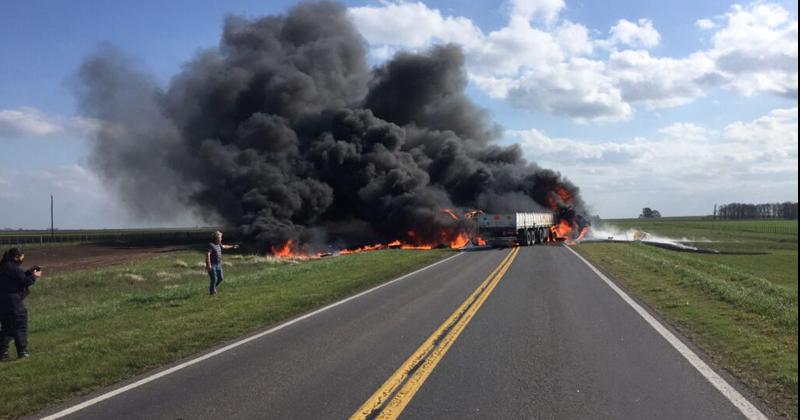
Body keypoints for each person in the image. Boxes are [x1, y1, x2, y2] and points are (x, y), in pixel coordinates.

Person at [0, 248, 42, 361]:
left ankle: (3, 352)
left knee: (7, 326)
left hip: (2, 301)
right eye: (22, 258)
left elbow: (17, 277)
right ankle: (22, 351)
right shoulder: (13, 268)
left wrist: (28, 272)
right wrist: (34, 276)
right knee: (20, 324)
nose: (22, 260)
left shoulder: (3, 267)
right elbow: (25, 281)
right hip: (13, 301)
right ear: (16, 257)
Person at [206, 231, 237, 295]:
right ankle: (212, 292)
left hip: (218, 264)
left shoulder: (219, 244)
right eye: (220, 238)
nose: (221, 239)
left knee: (220, 278)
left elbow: (224, 246)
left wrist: (232, 246)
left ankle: (213, 288)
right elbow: (208, 255)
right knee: (214, 279)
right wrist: (209, 265)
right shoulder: (211, 245)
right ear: (216, 238)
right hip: (212, 265)